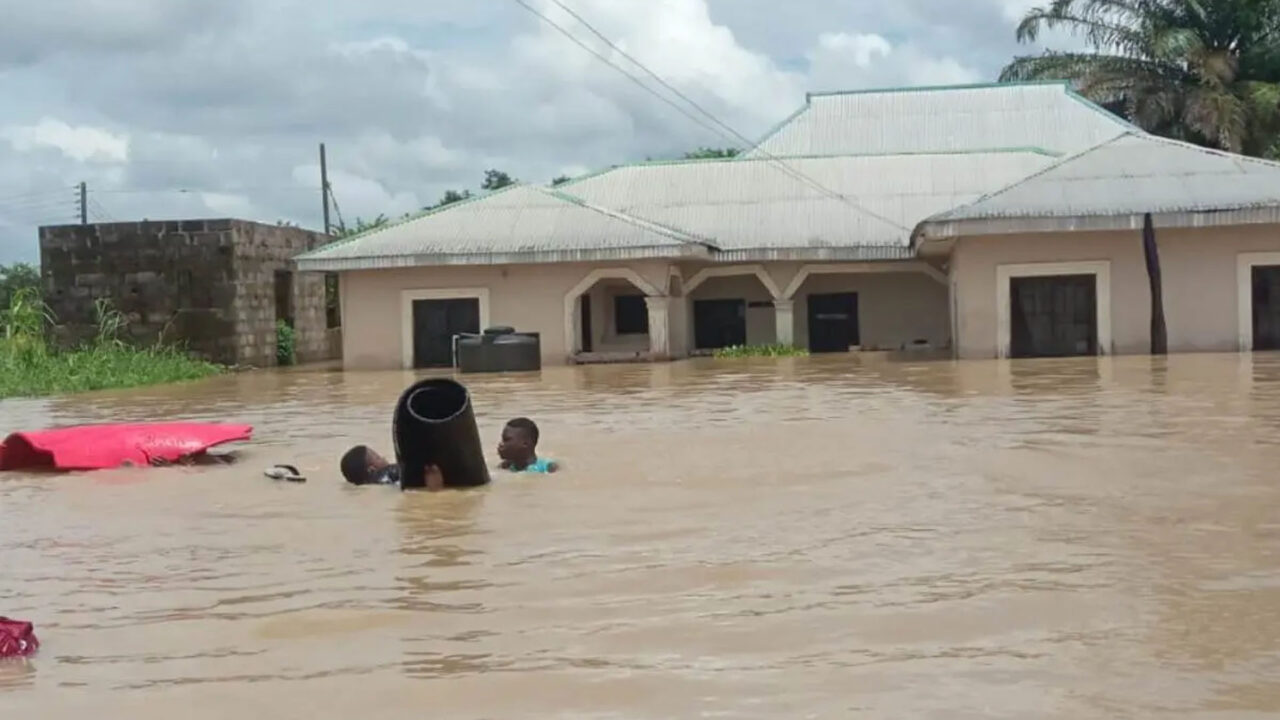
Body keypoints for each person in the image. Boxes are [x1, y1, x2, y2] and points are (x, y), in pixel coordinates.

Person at [340, 445, 444, 489]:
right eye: (378, 457)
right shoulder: (390, 472)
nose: (383, 458)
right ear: (372, 469)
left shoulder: (374, 485)